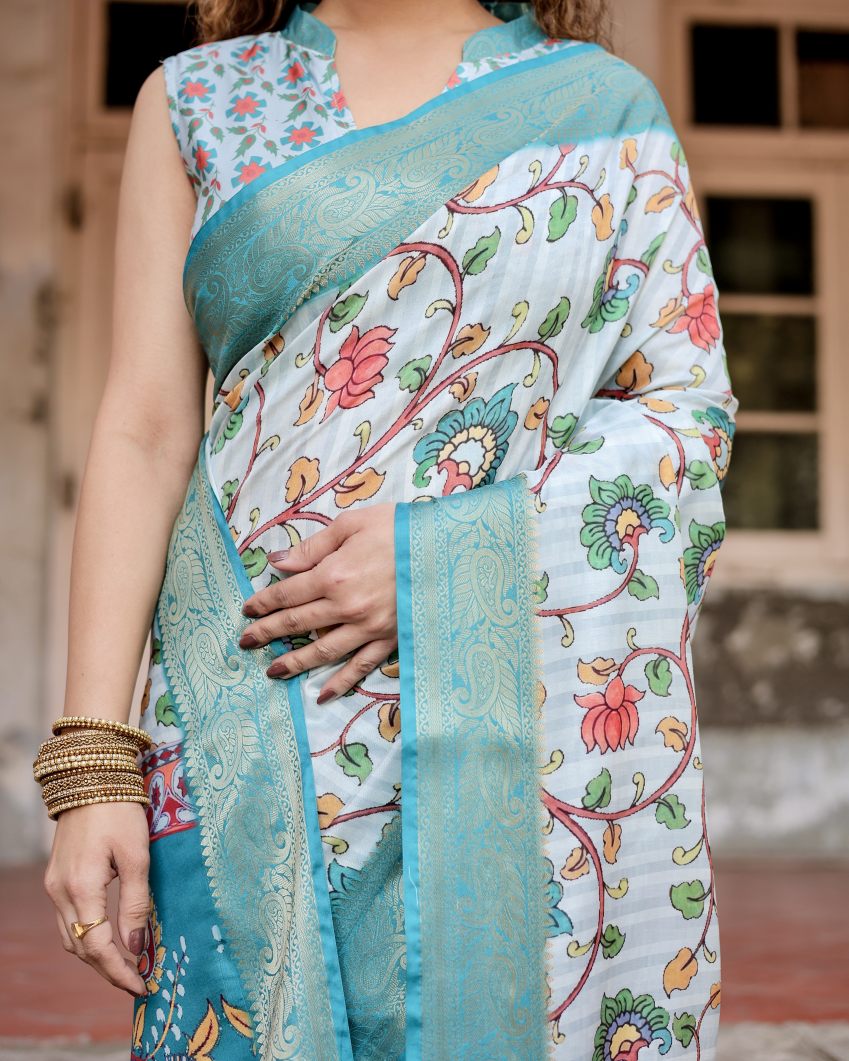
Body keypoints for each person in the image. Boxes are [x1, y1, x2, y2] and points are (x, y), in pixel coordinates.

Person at [35, 0, 737, 1056]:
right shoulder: (196, 99)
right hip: (244, 712)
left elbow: (685, 420)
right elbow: (143, 428)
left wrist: (439, 557)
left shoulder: (603, 112)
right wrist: (91, 766)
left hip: (520, 720)